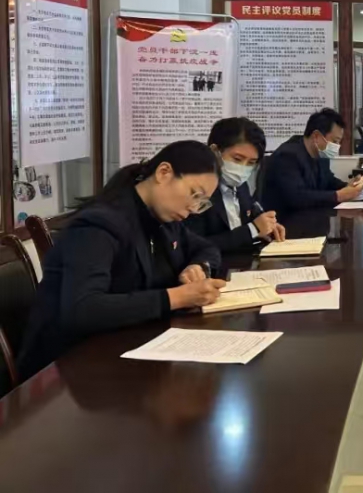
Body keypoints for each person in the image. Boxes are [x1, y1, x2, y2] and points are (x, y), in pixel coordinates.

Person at [17, 141, 227, 381]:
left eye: (202, 202)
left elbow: (206, 248)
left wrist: (197, 266)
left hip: (127, 350)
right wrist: (177, 297)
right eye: (194, 194)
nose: (193, 208)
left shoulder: (164, 218)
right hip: (66, 371)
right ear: (164, 173)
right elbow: (83, 309)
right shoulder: (100, 225)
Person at [185, 117, 285, 252]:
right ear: (214, 151)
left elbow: (253, 215)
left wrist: (268, 226)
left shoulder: (241, 185)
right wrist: (253, 229)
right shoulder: (196, 189)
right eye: (237, 159)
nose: (242, 168)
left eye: (251, 163)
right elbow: (192, 245)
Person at [261, 108, 361, 218]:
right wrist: (337, 196)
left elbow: (328, 180)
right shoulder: (287, 156)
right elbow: (297, 197)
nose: (337, 146)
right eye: (334, 141)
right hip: (284, 221)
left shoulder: (320, 154)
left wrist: (347, 186)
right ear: (316, 136)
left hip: (311, 217)